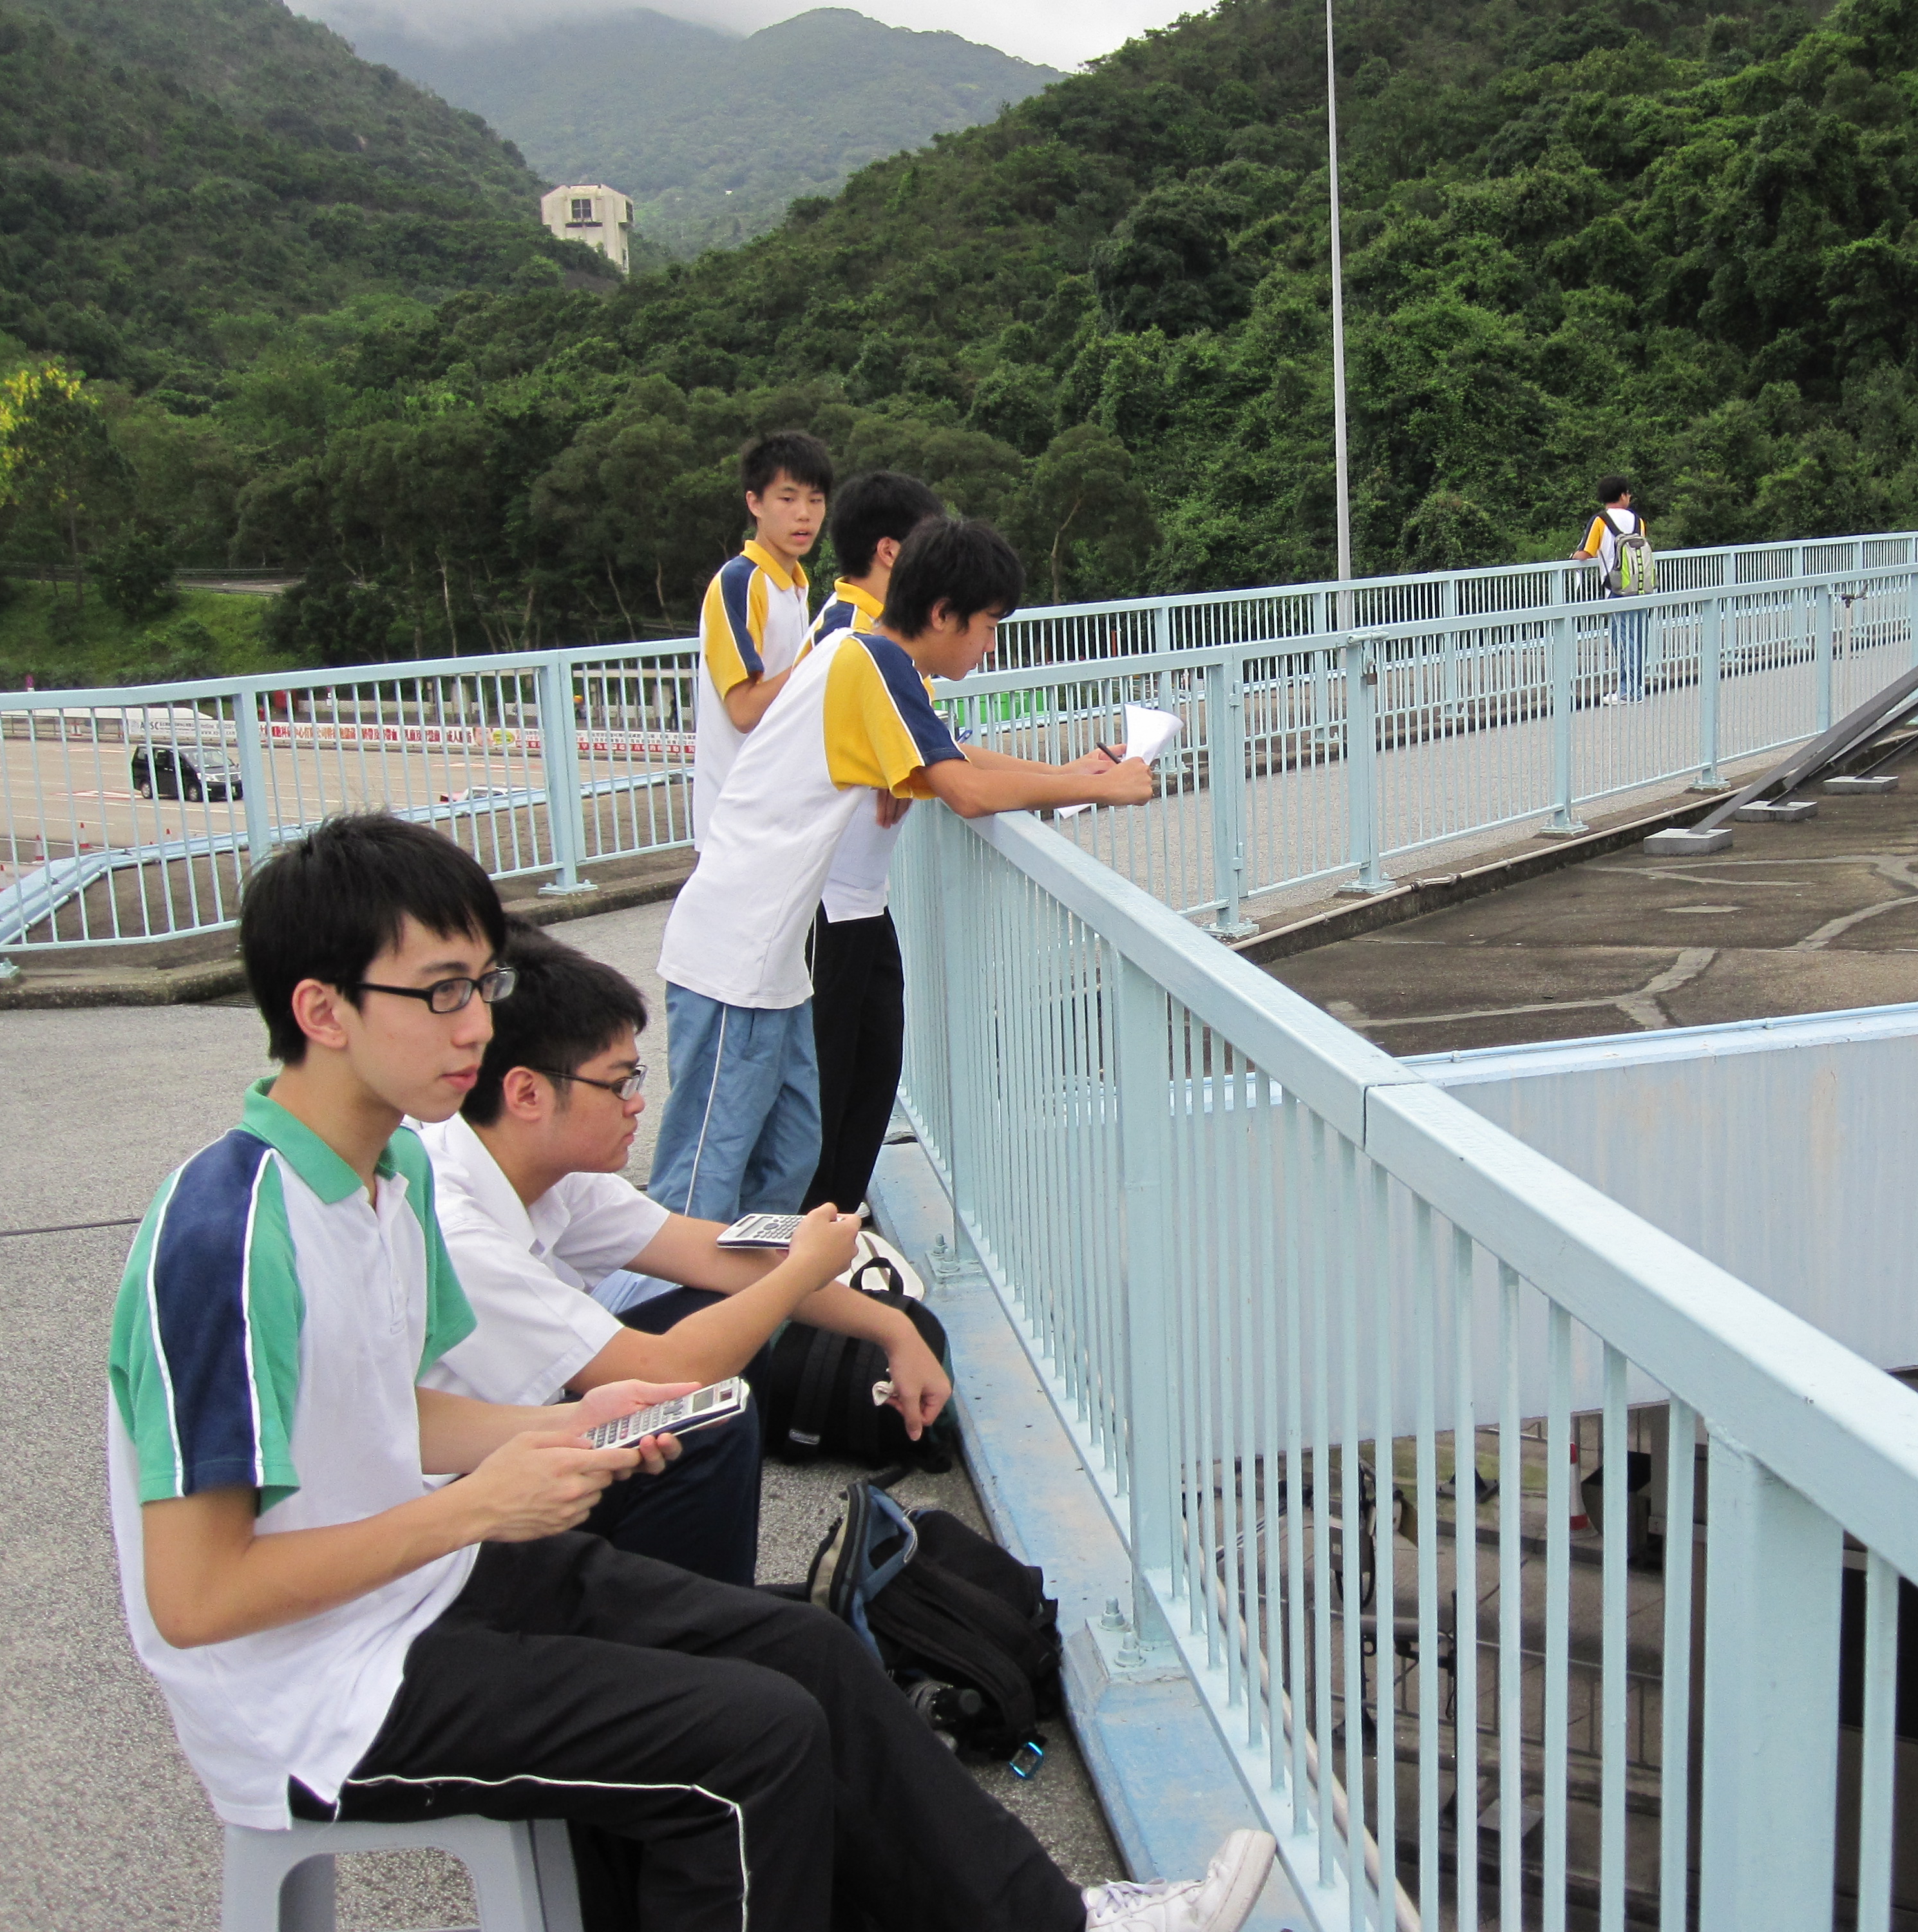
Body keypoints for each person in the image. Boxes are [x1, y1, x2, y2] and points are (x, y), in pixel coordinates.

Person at [104, 810, 1273, 1932]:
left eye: (484, 984)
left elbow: (380, 1411)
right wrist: (479, 1505)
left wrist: (546, 1432)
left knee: (807, 1653)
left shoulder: (386, 1178)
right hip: (315, 1696)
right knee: (751, 1741)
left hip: (419, 1595)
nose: (475, 1024)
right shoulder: (226, 1239)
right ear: (323, 1011)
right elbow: (199, 1598)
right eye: (442, 992)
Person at [640, 516, 1155, 1247]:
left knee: (783, 1173)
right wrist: (1106, 791)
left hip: (775, 966)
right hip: (730, 963)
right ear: (942, 614)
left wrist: (1067, 776)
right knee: (703, 1181)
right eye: (986, 625)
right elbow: (964, 791)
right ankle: (664, 1346)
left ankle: (759, 1338)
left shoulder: (869, 660)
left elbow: (951, 757)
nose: (990, 644)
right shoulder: (869, 663)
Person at [420, 917, 953, 1585]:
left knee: (716, 1331)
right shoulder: (456, 1228)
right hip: (452, 1529)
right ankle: (686, 1633)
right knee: (705, 1414)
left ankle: (684, 1602)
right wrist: (803, 1274)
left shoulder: (545, 1170)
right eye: (618, 1084)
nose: (638, 1104)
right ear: (526, 1092)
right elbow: (670, 1364)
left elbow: (718, 1256)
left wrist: (892, 1328)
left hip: (520, 1438)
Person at [803, 471, 947, 1218]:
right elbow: (954, 775)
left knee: (867, 1067)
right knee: (832, 1085)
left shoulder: (855, 627)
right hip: (828, 898)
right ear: (891, 552)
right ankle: (810, 1250)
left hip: (856, 896)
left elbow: (926, 754)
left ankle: (833, 1231)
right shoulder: (854, 636)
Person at [691, 429, 833, 848]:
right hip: (736, 822)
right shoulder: (738, 583)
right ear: (755, 502)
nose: (804, 514)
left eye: (816, 500)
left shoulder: (795, 584)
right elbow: (744, 709)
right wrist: (822, 662)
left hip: (779, 812)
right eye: (787, 499)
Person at [1573, 473, 1651, 704]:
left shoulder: (1600, 520)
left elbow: (1586, 552)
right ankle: (1635, 687)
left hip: (1616, 588)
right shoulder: (1638, 520)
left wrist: (1573, 558)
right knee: (1638, 638)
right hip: (1639, 586)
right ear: (1622, 495)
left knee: (1624, 641)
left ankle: (1629, 692)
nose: (1629, 497)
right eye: (1628, 493)